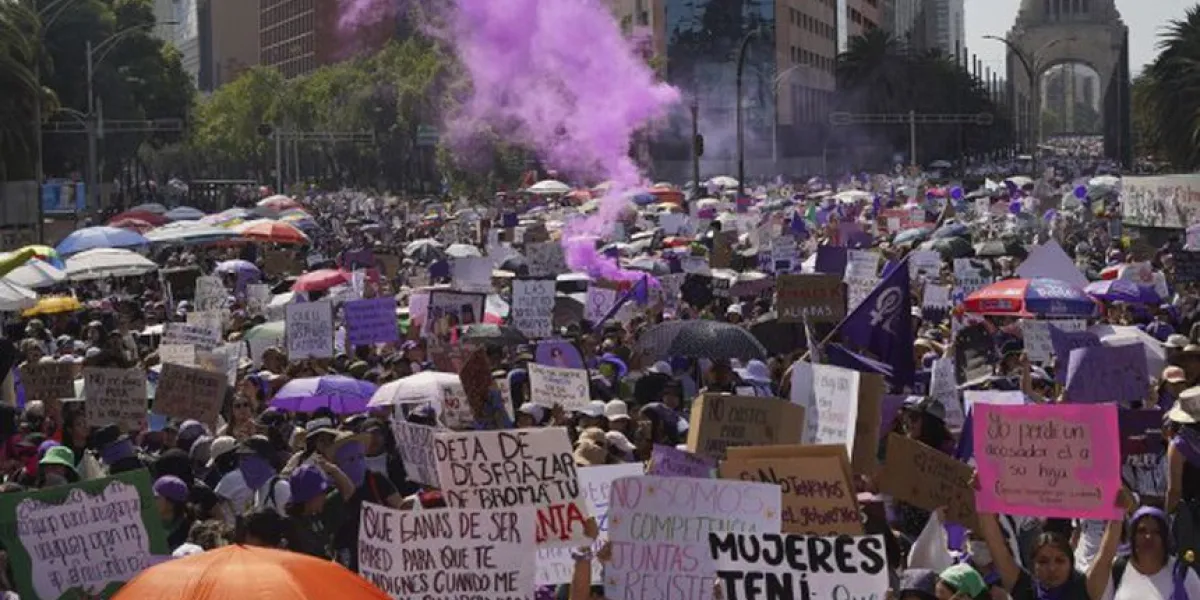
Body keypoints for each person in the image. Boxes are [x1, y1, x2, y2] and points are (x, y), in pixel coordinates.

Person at [1086, 505, 1200, 600]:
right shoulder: (1118, 570)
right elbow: (1093, 591)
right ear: (1133, 537)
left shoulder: (1183, 574)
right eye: (1142, 531)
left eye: (1156, 532)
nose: (1148, 537)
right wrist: (1116, 515)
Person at [153, 475, 195, 551]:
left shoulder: (190, 532)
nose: (151, 500)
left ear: (171, 504)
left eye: (156, 498)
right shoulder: (146, 523)